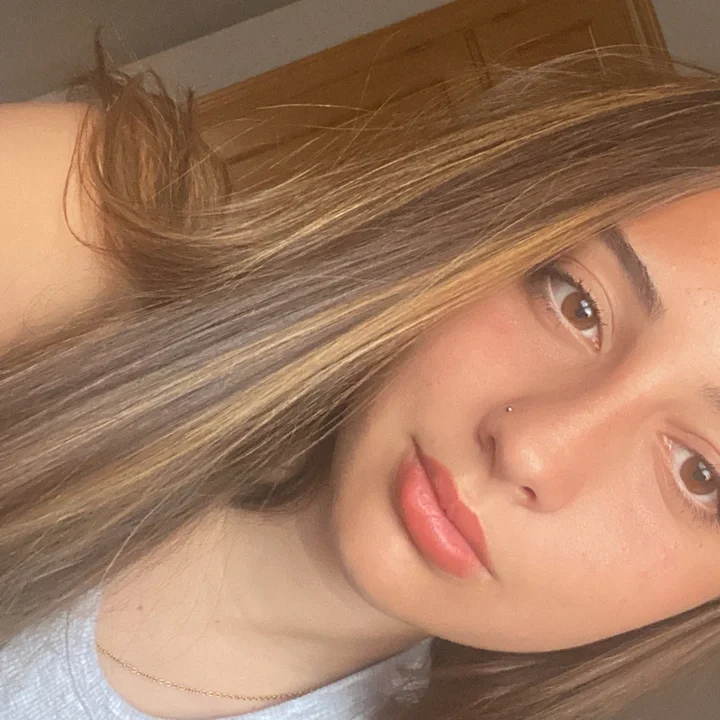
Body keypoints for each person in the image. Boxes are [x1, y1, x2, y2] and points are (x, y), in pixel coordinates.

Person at [2, 31, 720, 720]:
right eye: (576, 303)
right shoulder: (70, 235)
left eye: (701, 473)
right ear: (482, 227)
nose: (533, 448)